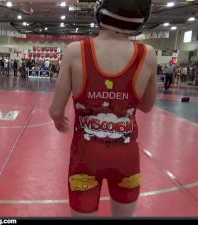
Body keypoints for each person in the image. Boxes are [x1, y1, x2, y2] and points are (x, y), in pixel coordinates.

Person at [49, 0, 157, 217]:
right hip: (126, 159)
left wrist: (58, 120)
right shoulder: (148, 54)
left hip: (85, 158)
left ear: (101, 12)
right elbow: (146, 106)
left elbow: (55, 109)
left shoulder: (75, 51)